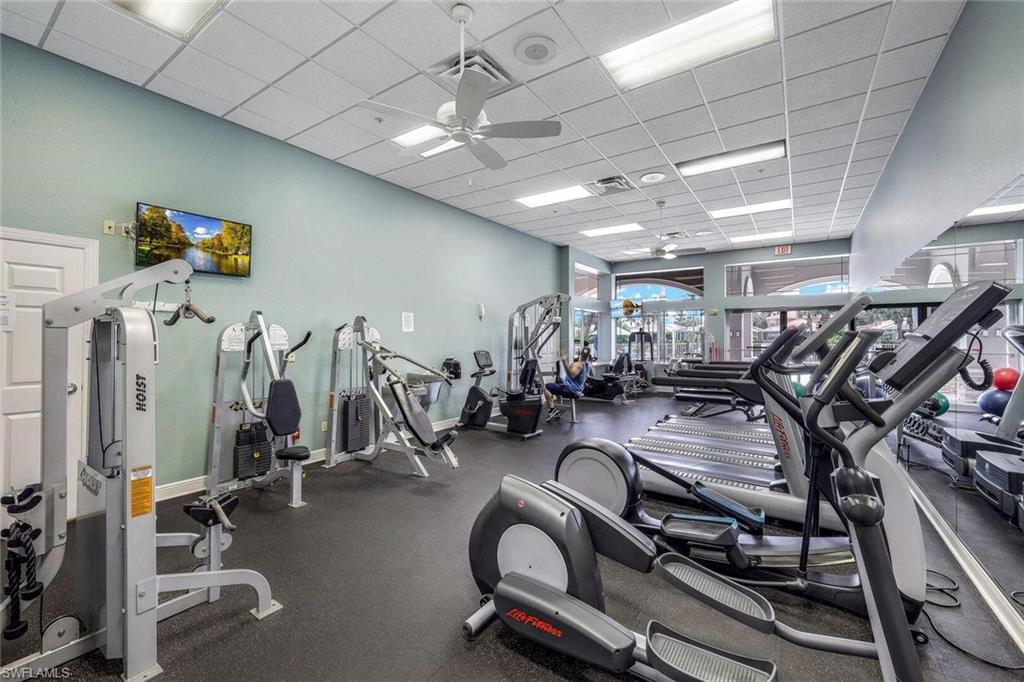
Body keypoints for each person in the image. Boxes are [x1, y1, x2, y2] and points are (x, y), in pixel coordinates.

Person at [544, 347, 592, 414]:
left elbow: (571, 375)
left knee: (546, 387)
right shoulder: (588, 365)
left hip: (570, 389)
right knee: (556, 386)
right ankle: (555, 404)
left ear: (580, 354)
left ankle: (552, 409)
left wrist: (564, 362)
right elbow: (592, 374)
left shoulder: (578, 365)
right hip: (578, 390)